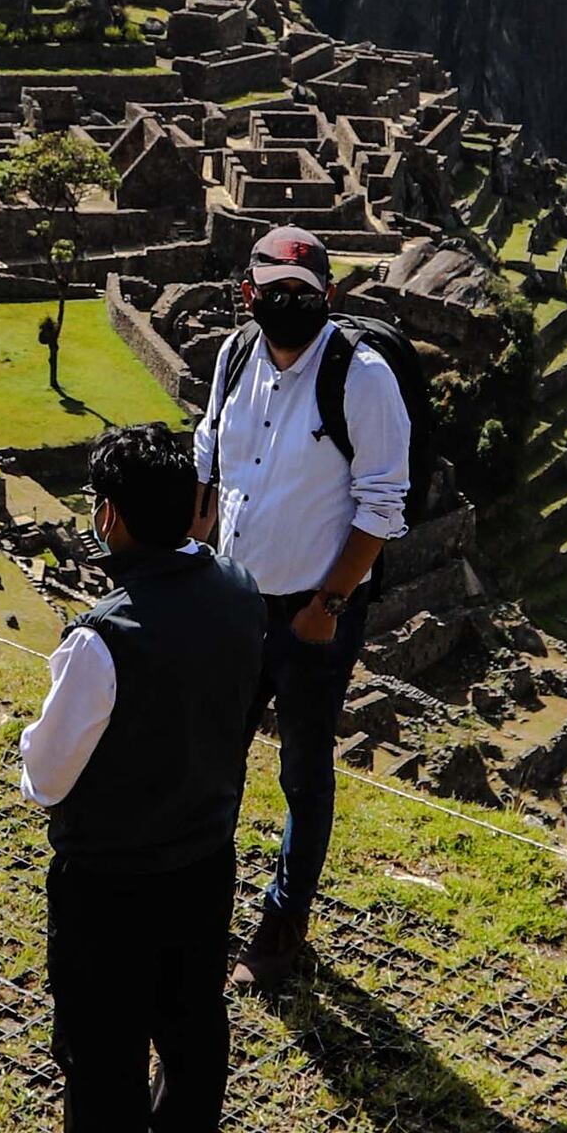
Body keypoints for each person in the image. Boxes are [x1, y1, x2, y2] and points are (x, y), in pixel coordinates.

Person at [2, 426, 270, 1133]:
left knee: (102, 1054)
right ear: (192, 505)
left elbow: (45, 776)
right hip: (204, 857)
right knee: (193, 1020)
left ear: (109, 516)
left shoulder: (102, 640)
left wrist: (28, 732)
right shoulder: (239, 589)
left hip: (110, 883)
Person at [192, 227, 411, 985]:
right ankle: (201, 909)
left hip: (312, 614)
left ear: (329, 297)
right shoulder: (231, 358)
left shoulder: (361, 376)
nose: (287, 304)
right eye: (273, 291)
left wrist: (328, 603)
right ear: (248, 292)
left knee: (303, 772)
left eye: (302, 294)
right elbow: (207, 465)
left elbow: (382, 504)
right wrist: (193, 567)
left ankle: (282, 928)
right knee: (209, 755)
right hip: (232, 602)